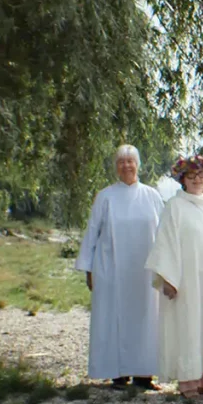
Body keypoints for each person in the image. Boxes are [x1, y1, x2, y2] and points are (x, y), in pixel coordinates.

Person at [145, 155, 203, 398]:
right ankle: (187, 383)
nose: (197, 180)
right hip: (188, 279)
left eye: (201, 176)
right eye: (191, 176)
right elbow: (165, 242)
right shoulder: (174, 206)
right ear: (182, 179)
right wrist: (168, 278)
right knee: (188, 326)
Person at [75, 144, 164, 390]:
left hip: (144, 272)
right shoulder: (105, 196)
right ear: (116, 166)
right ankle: (118, 373)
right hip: (111, 270)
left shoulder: (152, 196)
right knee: (113, 319)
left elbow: (164, 234)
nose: (126, 165)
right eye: (121, 161)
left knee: (146, 319)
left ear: (138, 165)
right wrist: (89, 269)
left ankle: (144, 374)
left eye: (130, 161)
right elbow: (93, 232)